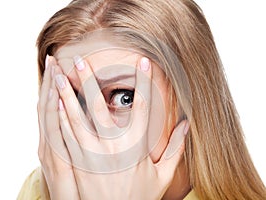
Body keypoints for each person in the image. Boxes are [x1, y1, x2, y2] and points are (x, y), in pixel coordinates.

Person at [18, 0, 266, 199]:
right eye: (71, 100)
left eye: (123, 97)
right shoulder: (39, 190)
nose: (88, 129)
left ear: (190, 100)